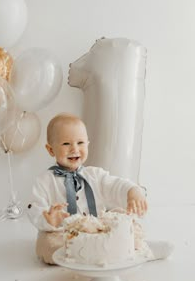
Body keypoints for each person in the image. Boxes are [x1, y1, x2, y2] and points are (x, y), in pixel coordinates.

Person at [27, 113, 173, 264]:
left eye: (80, 143)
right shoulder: (44, 180)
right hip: (64, 234)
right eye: (66, 144)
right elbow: (34, 207)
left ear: (88, 144)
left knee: (123, 219)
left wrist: (133, 191)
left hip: (100, 230)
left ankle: (145, 250)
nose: (74, 149)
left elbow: (116, 185)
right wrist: (48, 218)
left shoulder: (95, 175)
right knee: (48, 244)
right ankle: (103, 253)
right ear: (51, 150)